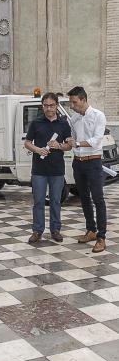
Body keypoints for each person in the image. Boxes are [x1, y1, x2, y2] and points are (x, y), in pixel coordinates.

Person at [24, 92, 72, 243]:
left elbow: (70, 145)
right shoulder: (36, 123)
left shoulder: (64, 124)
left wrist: (59, 145)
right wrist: (38, 150)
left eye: (51, 105)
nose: (49, 108)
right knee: (38, 201)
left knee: (56, 201)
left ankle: (55, 230)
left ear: (57, 105)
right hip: (39, 170)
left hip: (57, 170)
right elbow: (27, 142)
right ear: (42, 106)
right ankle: (37, 231)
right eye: (46, 106)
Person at [66, 86, 107, 253]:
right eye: (71, 102)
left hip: (94, 163)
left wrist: (76, 143)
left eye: (74, 102)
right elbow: (72, 140)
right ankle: (91, 230)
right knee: (83, 198)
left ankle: (101, 237)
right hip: (78, 163)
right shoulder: (74, 119)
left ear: (83, 99)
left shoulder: (98, 116)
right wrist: (66, 143)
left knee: (98, 199)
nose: (72, 105)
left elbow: (97, 140)